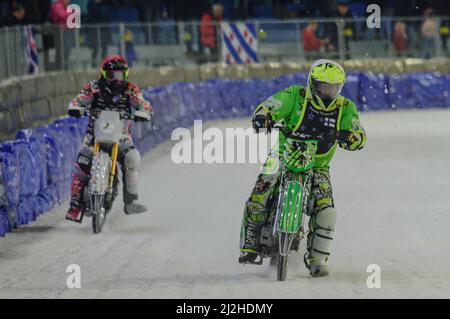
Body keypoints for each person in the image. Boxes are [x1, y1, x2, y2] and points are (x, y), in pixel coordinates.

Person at [239, 59, 367, 277]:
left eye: (332, 88)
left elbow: (357, 132)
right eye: (323, 87)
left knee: (327, 211)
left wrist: (352, 137)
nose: (327, 92)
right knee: (260, 193)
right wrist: (263, 116)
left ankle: (318, 260)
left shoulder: (345, 108)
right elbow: (272, 105)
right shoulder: (296, 96)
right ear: (312, 84)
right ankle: (250, 245)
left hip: (319, 166)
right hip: (281, 154)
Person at [66, 55, 153, 222]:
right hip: (93, 137)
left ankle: (130, 201)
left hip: (121, 138)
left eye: (120, 75)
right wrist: (76, 107)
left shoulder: (131, 90)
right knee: (83, 160)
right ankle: (75, 205)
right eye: (112, 75)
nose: (116, 79)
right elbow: (78, 100)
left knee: (132, 158)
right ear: (104, 74)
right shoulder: (93, 88)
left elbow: (144, 104)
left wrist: (144, 112)